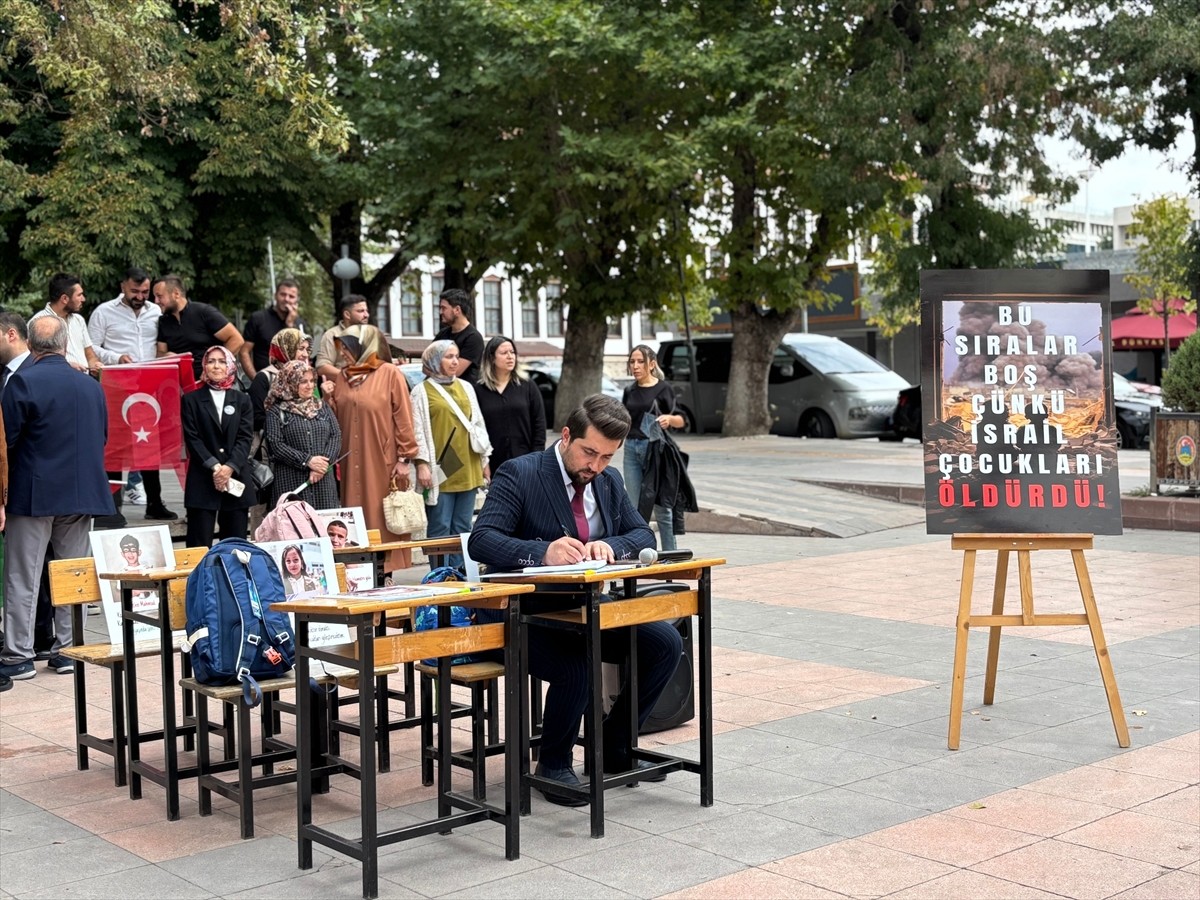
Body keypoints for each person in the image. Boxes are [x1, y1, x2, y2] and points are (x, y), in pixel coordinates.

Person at [468, 394, 682, 806]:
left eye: (606, 457)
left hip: (585, 610)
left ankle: (616, 750)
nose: (595, 466)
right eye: (589, 453)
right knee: (579, 663)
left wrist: (608, 545)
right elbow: (483, 540)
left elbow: (642, 536)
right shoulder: (521, 473)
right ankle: (553, 764)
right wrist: (542, 550)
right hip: (524, 616)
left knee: (664, 643)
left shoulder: (608, 480)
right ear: (566, 436)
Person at [1, 316, 113, 682]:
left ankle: (18, 655)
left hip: (33, 492)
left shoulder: (22, 381)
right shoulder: (90, 386)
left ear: (31, 346)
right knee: (73, 575)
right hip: (82, 492)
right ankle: (68, 650)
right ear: (65, 345)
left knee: (24, 575)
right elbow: (102, 437)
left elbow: (8, 442)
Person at [324, 325, 419, 573]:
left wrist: (404, 459)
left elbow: (404, 418)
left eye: (346, 346)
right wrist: (328, 399)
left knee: (382, 517)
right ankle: (359, 571)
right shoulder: (343, 377)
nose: (342, 352)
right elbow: (338, 419)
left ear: (363, 346)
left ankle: (385, 572)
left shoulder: (390, 374)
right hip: (350, 461)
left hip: (382, 459)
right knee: (355, 515)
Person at [89, 266, 178, 522]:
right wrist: (116, 357)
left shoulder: (156, 311)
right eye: (134, 291)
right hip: (117, 386)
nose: (140, 296)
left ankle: (154, 503)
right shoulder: (104, 312)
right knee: (116, 446)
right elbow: (91, 346)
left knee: (149, 444)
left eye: (145, 291)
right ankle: (112, 508)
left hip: (151, 386)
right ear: (122, 287)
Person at [410, 340, 490, 568]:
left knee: (463, 526)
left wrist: (485, 459)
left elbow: (478, 424)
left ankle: (459, 574)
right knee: (440, 527)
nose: (455, 361)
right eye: (448, 357)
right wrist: (421, 463)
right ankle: (440, 575)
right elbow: (417, 431)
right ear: (433, 361)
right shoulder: (421, 392)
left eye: (457, 356)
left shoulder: (466, 387)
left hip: (469, 464)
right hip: (442, 468)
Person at [180, 346, 254, 547]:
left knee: (235, 546)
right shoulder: (190, 400)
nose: (216, 366)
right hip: (203, 479)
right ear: (204, 365)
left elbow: (245, 438)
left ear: (230, 365)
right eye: (211, 361)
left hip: (235, 478)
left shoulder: (243, 400)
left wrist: (229, 468)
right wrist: (215, 467)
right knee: (199, 544)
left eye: (222, 361)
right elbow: (192, 438)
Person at [621, 344, 686, 551]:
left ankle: (670, 557)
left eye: (640, 361)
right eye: (632, 362)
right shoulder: (629, 390)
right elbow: (624, 420)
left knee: (662, 508)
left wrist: (669, 418)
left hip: (655, 451)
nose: (636, 366)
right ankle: (640, 555)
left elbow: (681, 420)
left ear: (652, 364)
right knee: (635, 507)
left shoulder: (663, 389)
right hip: (631, 449)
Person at [262, 360, 341, 509]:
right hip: (291, 481)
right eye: (303, 381)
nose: (310, 385)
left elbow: (335, 435)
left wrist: (322, 465)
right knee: (295, 527)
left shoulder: (321, 406)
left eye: (312, 381)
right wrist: (308, 461)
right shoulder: (276, 411)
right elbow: (276, 445)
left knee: (324, 528)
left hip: (323, 482)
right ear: (290, 382)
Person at [475, 335, 546, 474]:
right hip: (493, 463)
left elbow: (539, 424)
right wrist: (483, 462)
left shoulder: (528, 386)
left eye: (512, 352)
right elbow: (477, 431)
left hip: (525, 461)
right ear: (491, 358)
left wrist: (536, 458)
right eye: (504, 353)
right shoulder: (479, 390)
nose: (510, 356)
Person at [155, 274, 244, 379]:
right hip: (183, 386)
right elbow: (160, 353)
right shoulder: (163, 321)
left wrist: (215, 367)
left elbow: (237, 340)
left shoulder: (203, 312)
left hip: (214, 384)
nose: (156, 301)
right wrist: (166, 356)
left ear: (176, 294)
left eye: (159, 296)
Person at [29, 273, 103, 374]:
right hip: (55, 382)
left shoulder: (78, 320)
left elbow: (90, 355)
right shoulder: (37, 323)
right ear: (64, 299)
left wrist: (95, 364)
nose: (83, 299)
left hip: (83, 382)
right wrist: (67, 366)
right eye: (79, 295)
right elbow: (29, 361)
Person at [238, 279, 309, 380]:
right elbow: (244, 351)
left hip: (291, 382)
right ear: (275, 295)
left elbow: (301, 355)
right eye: (283, 294)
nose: (287, 299)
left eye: (291, 296)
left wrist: (290, 325)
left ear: (297, 300)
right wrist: (255, 379)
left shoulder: (299, 324)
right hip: (266, 380)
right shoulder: (259, 318)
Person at [248, 328, 311, 435]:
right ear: (286, 348)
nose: (306, 354)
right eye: (301, 348)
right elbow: (256, 418)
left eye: (307, 349)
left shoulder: (307, 377)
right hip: (273, 443)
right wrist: (291, 424)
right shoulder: (264, 378)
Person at [314, 294, 370, 382]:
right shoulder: (332, 335)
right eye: (361, 311)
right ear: (347, 314)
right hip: (343, 390)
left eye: (366, 311)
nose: (366, 315)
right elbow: (322, 368)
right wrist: (349, 375)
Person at [434, 289, 484, 384]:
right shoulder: (442, 334)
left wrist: (432, 370)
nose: (440, 312)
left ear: (457, 310)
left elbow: (454, 372)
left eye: (444, 308)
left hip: (461, 394)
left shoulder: (473, 338)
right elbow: (427, 362)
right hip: (439, 387)